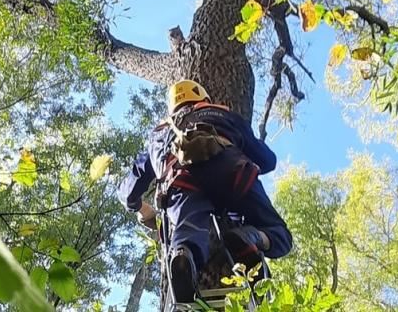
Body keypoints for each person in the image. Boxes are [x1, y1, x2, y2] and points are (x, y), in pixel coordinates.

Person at [117, 79, 293, 302]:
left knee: (188, 226)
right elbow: (268, 161)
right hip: (233, 176)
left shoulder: (159, 134)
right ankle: (253, 237)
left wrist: (142, 210)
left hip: (182, 182)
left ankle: (184, 255)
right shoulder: (224, 114)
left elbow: (128, 190)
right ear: (203, 97)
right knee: (280, 233)